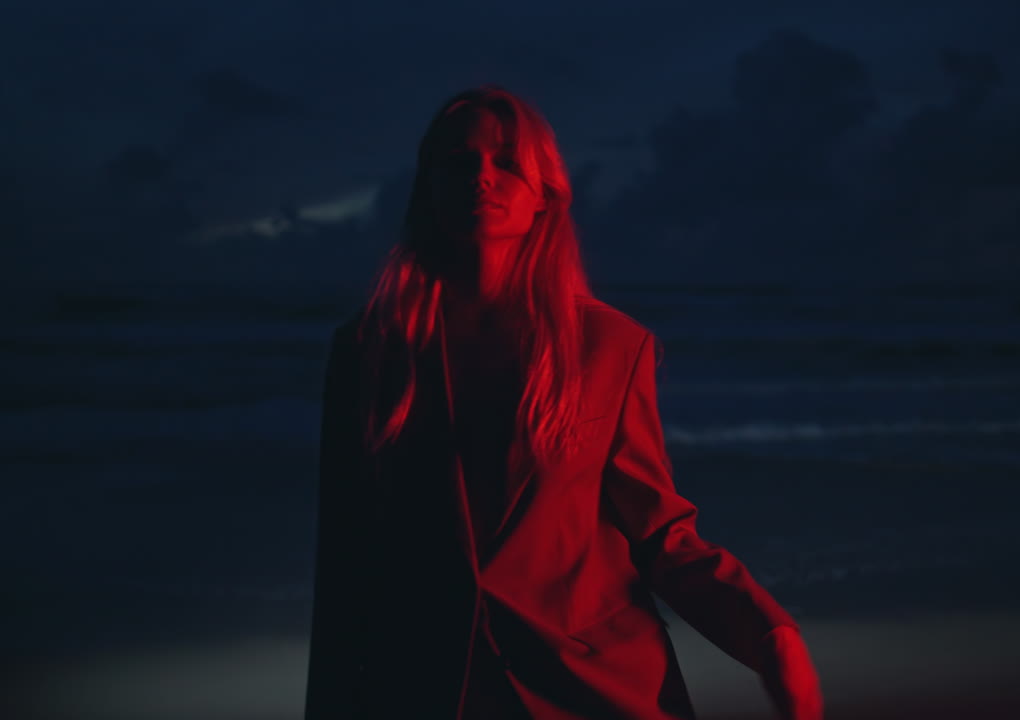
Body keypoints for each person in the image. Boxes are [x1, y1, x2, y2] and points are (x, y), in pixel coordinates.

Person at [303, 85, 823, 719]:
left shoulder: (610, 346)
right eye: (460, 162)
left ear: (543, 194)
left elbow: (661, 535)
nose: (482, 177)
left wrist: (770, 637)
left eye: (506, 162)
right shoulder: (368, 352)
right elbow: (346, 566)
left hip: (595, 688)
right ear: (427, 187)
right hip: (427, 690)